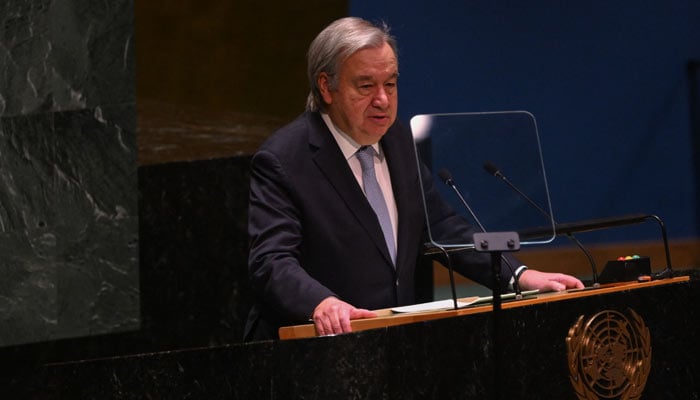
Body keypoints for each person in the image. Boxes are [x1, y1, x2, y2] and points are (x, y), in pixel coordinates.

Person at [244, 17, 583, 341]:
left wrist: (519, 277)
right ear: (326, 87)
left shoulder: (399, 140)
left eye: (390, 84)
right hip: (319, 348)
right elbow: (271, 261)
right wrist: (322, 303)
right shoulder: (284, 159)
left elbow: (443, 226)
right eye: (366, 86)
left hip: (400, 344)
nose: (383, 100)